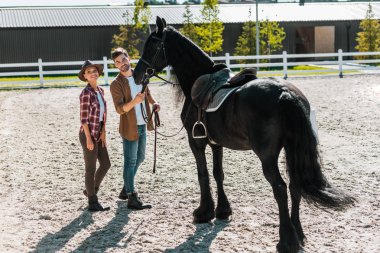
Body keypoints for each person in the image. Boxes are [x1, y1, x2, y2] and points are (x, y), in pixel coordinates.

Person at [110, 47, 160, 210]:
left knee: (140, 158)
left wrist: (154, 103)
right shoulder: (116, 84)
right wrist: (134, 102)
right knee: (130, 161)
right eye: (118, 62)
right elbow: (119, 109)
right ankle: (131, 196)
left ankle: (126, 186)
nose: (122, 64)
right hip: (129, 127)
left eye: (123, 60)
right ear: (116, 65)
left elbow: (147, 92)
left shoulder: (140, 76)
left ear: (129, 58)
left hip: (143, 123)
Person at [78, 60, 111, 212]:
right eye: (89, 72)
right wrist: (89, 139)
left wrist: (103, 132)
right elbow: (84, 119)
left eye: (94, 71)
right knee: (90, 169)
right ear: (85, 76)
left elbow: (103, 114)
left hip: (99, 132)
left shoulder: (101, 91)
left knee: (106, 164)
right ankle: (92, 201)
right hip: (88, 134)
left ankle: (90, 190)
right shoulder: (86, 93)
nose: (93, 73)